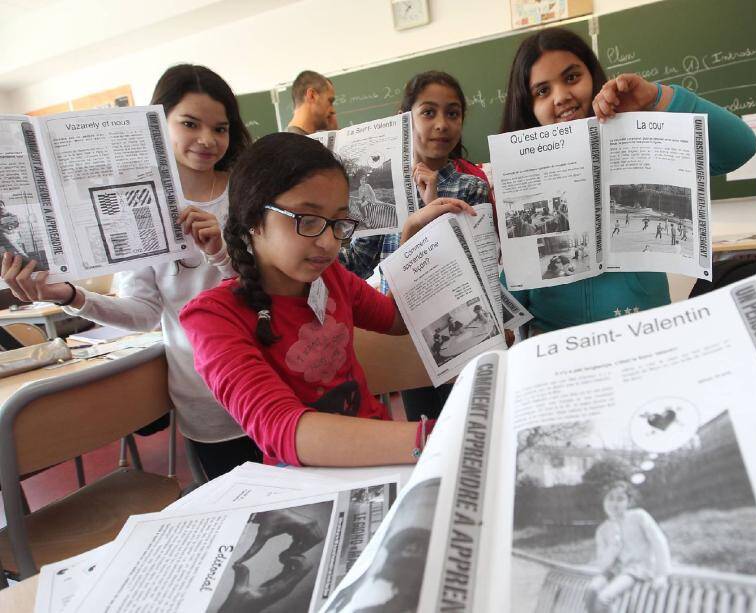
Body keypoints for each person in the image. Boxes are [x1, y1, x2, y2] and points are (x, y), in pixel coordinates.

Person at [1, 64, 259, 480]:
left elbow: (273, 289)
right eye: (190, 124)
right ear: (158, 124)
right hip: (206, 395)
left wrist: (223, 255)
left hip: (275, 375)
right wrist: (67, 294)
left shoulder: (249, 190)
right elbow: (142, 313)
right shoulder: (139, 204)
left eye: (221, 127)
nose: (207, 140)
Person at [179, 133, 472, 467]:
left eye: (337, 223)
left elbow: (396, 320)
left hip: (384, 458)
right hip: (313, 484)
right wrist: (438, 437)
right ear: (253, 219)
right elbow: (285, 430)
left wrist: (412, 239)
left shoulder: (329, 277)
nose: (328, 243)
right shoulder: (212, 318)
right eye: (308, 220)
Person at [500, 27, 756, 333]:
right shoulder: (521, 169)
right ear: (528, 106)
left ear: (593, 76)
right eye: (542, 91)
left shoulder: (639, 137)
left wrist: (658, 99)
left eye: (571, 78)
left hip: (641, 330)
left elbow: (741, 148)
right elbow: (516, 281)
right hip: (557, 344)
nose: (561, 97)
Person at [339, 71, 493, 421]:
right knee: (422, 428)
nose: (441, 124)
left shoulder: (471, 187)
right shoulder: (382, 189)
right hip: (399, 331)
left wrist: (431, 204)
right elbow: (356, 264)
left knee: (467, 423)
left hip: (459, 327)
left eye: (452, 113)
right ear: (404, 120)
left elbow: (474, 266)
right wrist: (334, 221)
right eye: (428, 112)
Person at [585, 480, 671, 613]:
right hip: (614, 571)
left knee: (604, 598)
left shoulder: (639, 517)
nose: (614, 504)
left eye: (620, 499)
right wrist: (613, 547)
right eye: (610, 499)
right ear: (604, 502)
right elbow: (602, 565)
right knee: (591, 590)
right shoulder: (603, 529)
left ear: (628, 502)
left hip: (637, 569)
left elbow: (659, 541)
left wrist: (662, 575)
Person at [287, 70, 338, 135]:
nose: (333, 111)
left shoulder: (293, 140)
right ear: (312, 96)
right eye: (330, 101)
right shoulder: (296, 143)